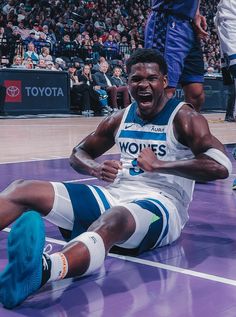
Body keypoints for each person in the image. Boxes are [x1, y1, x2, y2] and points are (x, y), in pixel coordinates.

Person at [0, 49, 232, 309]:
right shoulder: (119, 118)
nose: (143, 85)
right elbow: (79, 152)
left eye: (151, 79)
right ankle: (55, 259)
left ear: (164, 82)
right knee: (23, 188)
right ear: (128, 83)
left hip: (163, 206)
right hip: (115, 194)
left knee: (114, 218)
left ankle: (43, 270)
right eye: (136, 79)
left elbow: (220, 165)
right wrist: (94, 169)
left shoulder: (185, 118)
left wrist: (162, 165)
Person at [144, 0, 208, 112]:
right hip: (167, 21)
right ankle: (154, 128)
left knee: (196, 94)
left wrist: (196, 13)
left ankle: (185, 128)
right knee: (165, 91)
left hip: (189, 25)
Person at [215, 0, 236, 122]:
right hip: (230, 53)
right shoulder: (226, 8)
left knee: (232, 89)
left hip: (226, 56)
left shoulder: (219, 14)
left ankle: (230, 114)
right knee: (232, 89)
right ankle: (230, 114)